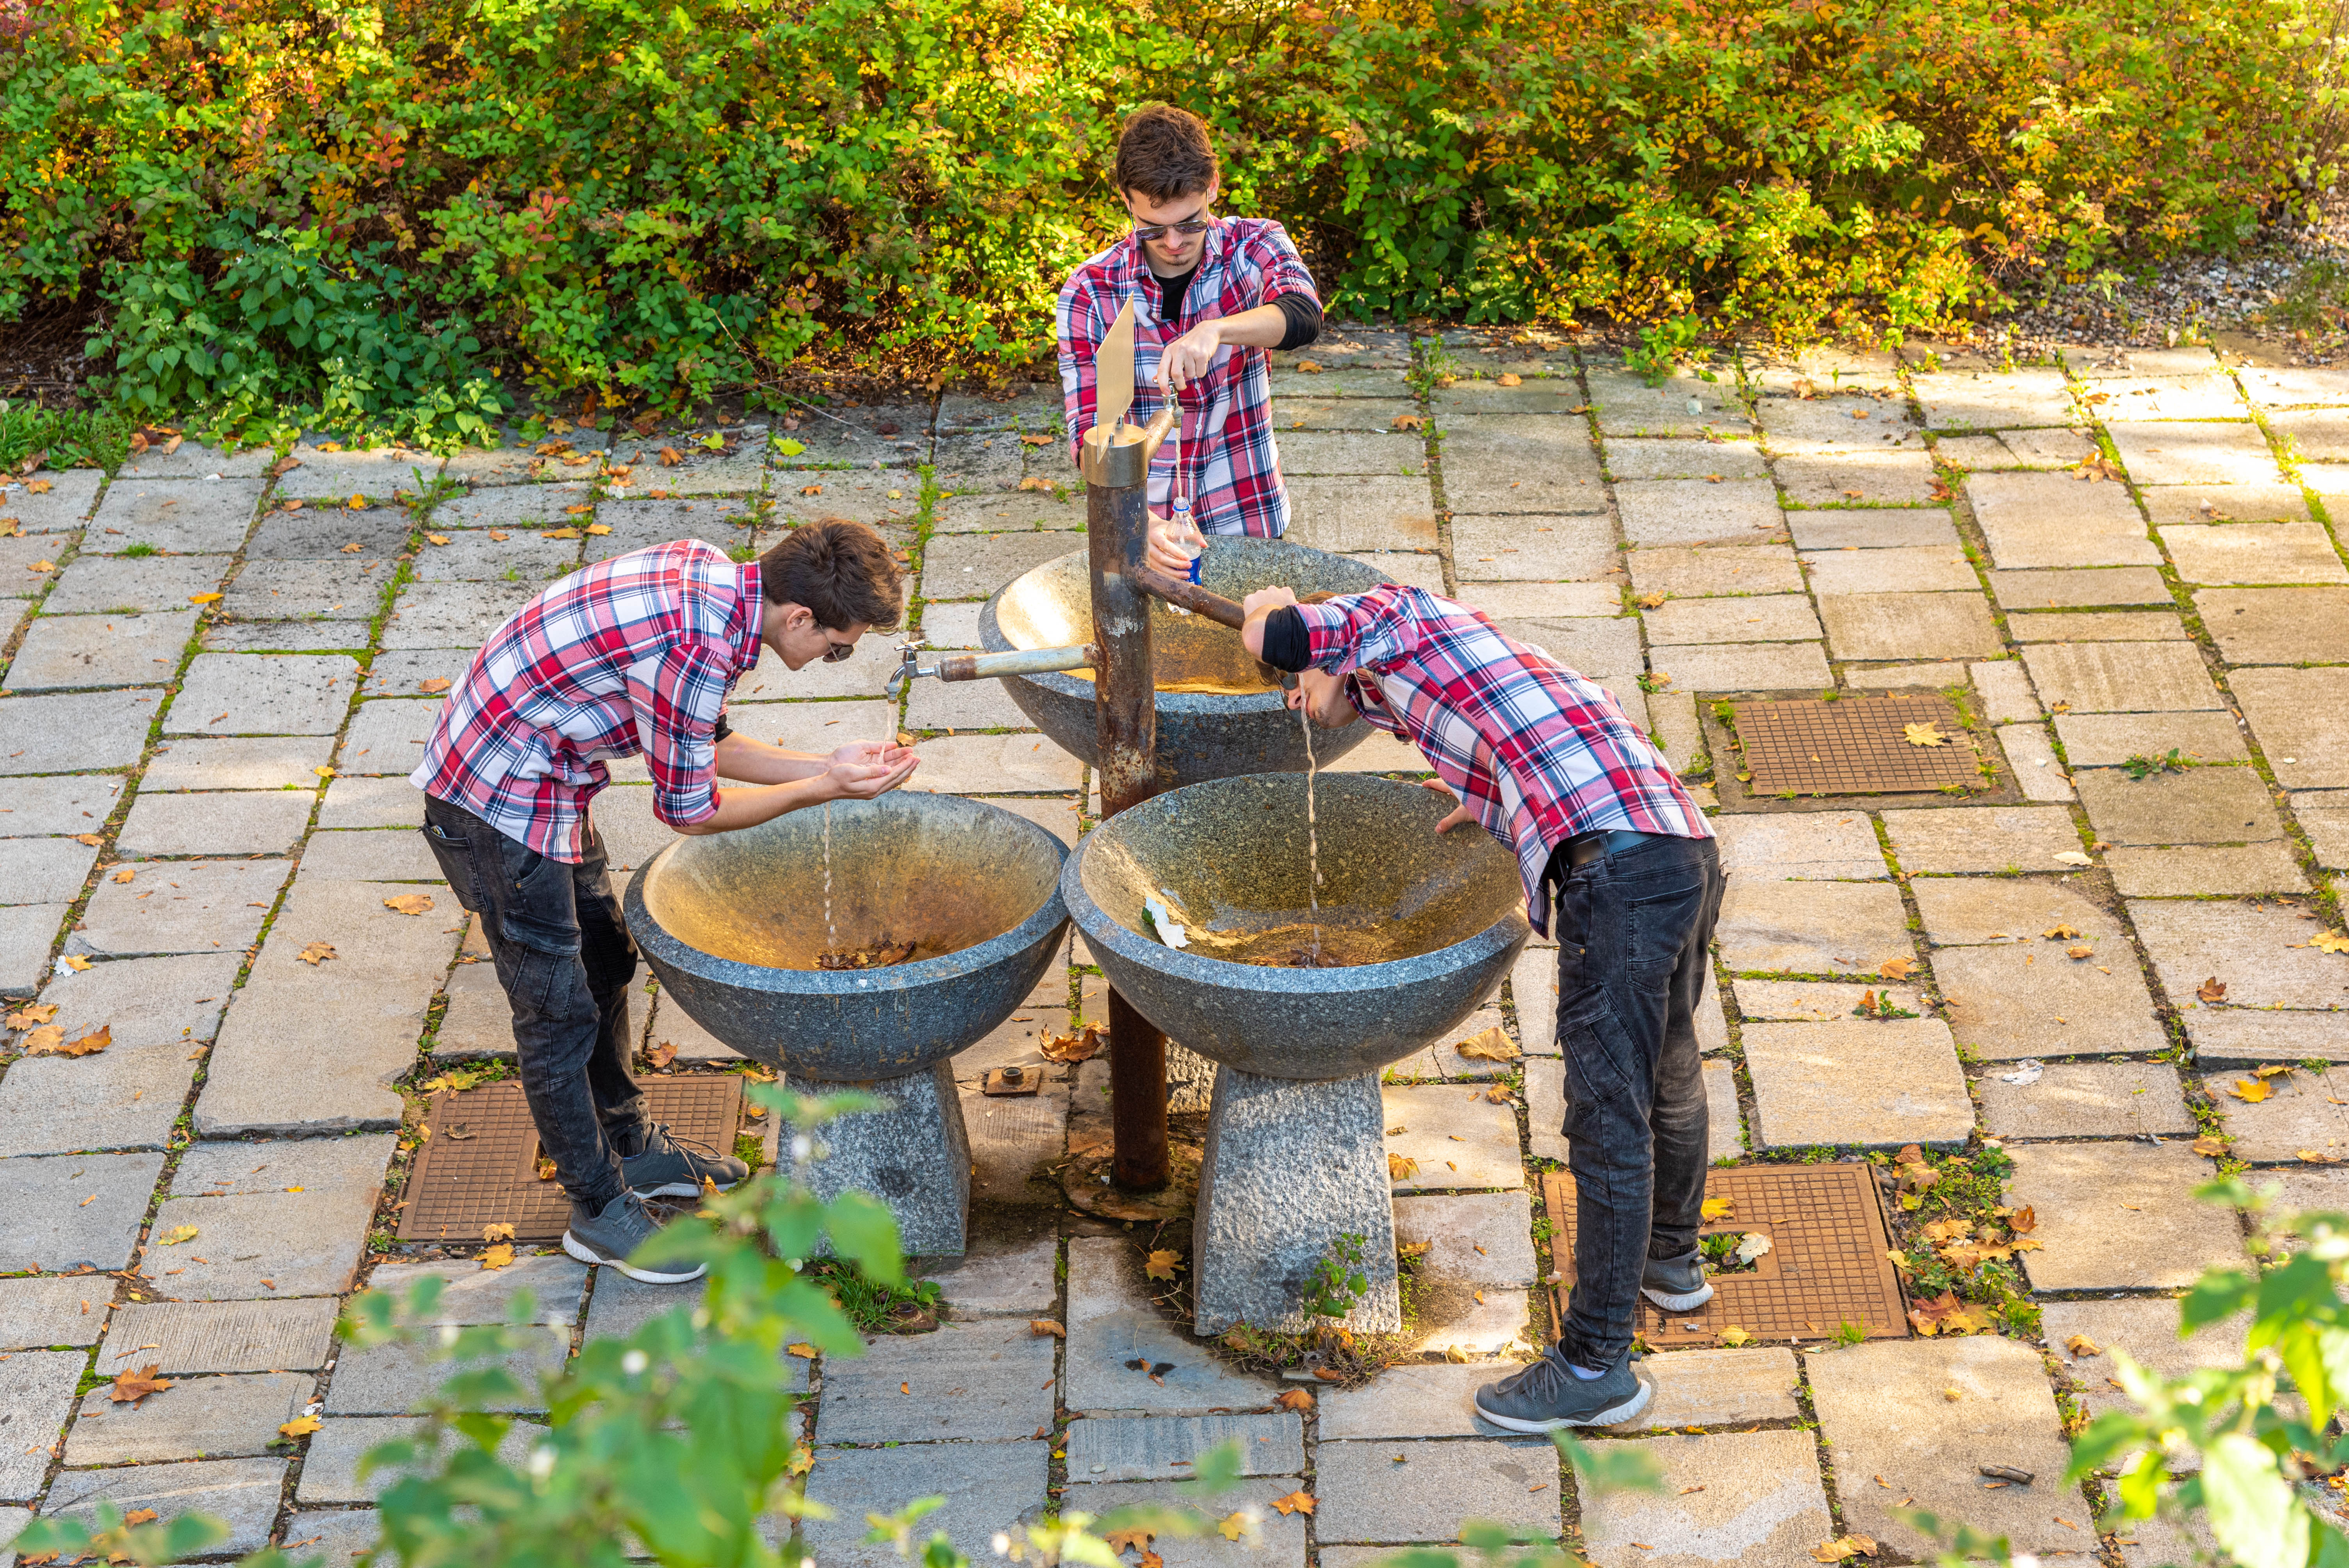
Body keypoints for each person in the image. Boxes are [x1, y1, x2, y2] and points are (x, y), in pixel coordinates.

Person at [1240, 582, 1721, 1429]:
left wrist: (1265, 606)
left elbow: (1278, 632)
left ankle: (1594, 1366)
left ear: (1331, 658)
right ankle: (1668, 1261)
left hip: (1613, 871)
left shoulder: (1379, 621)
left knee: (1606, 1116)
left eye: (1299, 687)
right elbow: (1574, 719)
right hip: (1676, 843)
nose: (1294, 701)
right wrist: (1495, 795)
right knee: (1667, 1062)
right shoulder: (1435, 655)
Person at [411, 521, 919, 1284]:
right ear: (800, 618)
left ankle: (628, 1145)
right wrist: (820, 791)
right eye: (838, 646)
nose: (832, 660)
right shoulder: (696, 644)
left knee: (607, 963)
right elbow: (691, 810)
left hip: (544, 781)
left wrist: (828, 763)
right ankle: (597, 1213)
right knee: (556, 1014)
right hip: (494, 804)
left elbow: (703, 742)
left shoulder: (720, 587)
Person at [1057, 103, 1325, 578]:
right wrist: (1145, 525)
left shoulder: (1255, 245)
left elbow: (1303, 315)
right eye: (1154, 228)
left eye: (1191, 223)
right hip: (1145, 531)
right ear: (1126, 200)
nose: (1175, 242)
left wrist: (1217, 329)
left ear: (1213, 187)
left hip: (1250, 516)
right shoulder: (1090, 292)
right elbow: (1088, 438)